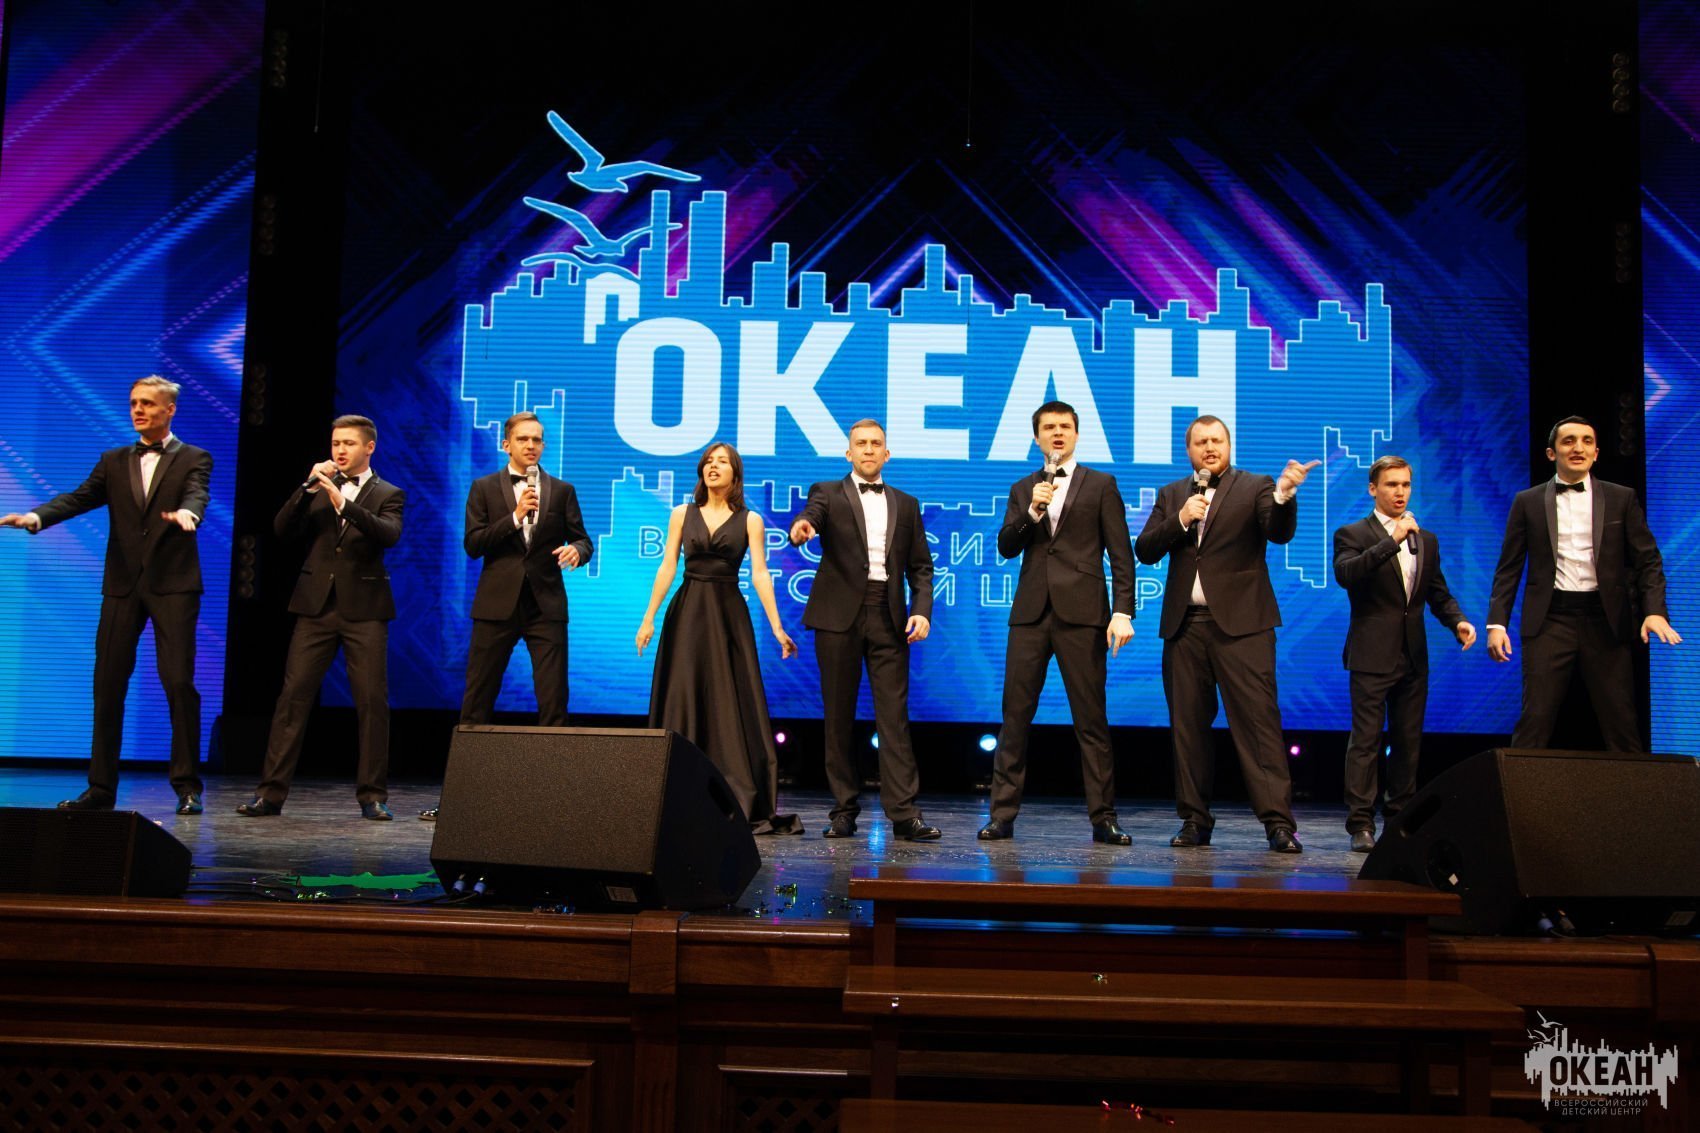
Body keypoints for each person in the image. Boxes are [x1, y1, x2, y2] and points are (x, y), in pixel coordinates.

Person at [1, 376, 210, 814]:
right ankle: (100, 789)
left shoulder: (194, 457)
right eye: (134, 403)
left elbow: (196, 493)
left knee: (178, 683)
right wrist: (37, 517)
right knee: (108, 684)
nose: (138, 410)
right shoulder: (114, 460)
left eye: (147, 403)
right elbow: (80, 497)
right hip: (121, 586)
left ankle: (187, 786)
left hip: (173, 585)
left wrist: (189, 514)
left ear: (169, 409)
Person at [1134, 415, 1317, 853]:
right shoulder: (1172, 494)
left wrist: (1285, 494)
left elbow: (1278, 531)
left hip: (1243, 628)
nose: (1209, 447)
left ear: (1229, 445)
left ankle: (1278, 823)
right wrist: (1181, 519)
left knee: (1258, 725)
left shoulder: (1256, 486)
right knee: (1188, 730)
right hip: (1185, 627)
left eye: (1217, 440)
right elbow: (1145, 549)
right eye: (1201, 442)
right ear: (1189, 450)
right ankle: (1194, 820)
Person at [978, 401, 1136, 845]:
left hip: (1083, 614)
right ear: (1037, 438)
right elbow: (1007, 546)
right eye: (1049, 427)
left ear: (1077, 434)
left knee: (1091, 720)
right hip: (1030, 614)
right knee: (1015, 718)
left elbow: (1121, 554)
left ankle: (1104, 818)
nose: (1057, 433)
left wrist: (1122, 611)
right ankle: (1001, 815)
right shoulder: (1023, 488)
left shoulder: (1101, 484)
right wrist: (1031, 512)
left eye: (1065, 426)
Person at [422, 411, 592, 821]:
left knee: (553, 701)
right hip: (496, 606)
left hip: (546, 605)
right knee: (477, 699)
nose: (531, 445)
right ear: (506, 444)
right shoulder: (483, 488)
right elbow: (474, 544)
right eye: (523, 439)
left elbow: (583, 539)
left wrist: (578, 551)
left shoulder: (562, 490)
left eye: (537, 439)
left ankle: (552, 799)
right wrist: (515, 517)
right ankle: (461, 798)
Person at [236, 415, 405, 820]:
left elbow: (388, 534)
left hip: (365, 609)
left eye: (349, 443)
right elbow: (282, 529)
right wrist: (306, 487)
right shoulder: (318, 487)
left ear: (369, 447)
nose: (340, 450)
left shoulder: (389, 493)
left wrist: (344, 504)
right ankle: (270, 794)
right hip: (315, 607)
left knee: (371, 701)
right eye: (335, 443)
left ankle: (373, 795)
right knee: (293, 698)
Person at [637, 442, 803, 835]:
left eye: (722, 462)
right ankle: (676, 786)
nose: (713, 467)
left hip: (728, 615)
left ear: (735, 473)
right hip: (688, 611)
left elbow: (760, 574)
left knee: (728, 696)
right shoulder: (682, 514)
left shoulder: (750, 520)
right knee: (683, 691)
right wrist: (648, 618)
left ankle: (728, 788)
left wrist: (777, 627)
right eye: (708, 462)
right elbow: (667, 566)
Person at [1487, 416, 1680, 750]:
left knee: (1621, 722)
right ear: (1551, 453)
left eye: (1587, 441)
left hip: (1605, 619)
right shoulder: (1527, 501)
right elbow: (1508, 568)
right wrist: (1496, 624)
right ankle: (1521, 785)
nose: (1578, 448)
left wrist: (1655, 612)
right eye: (1569, 441)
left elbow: (1648, 560)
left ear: (1596, 453)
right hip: (1550, 619)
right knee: (1535, 719)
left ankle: (1632, 786)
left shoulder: (1621, 498)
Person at [789, 419, 939, 842]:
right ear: (849, 453)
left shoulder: (906, 503)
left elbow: (921, 567)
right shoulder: (827, 492)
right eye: (861, 444)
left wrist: (922, 611)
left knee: (894, 718)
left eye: (876, 444)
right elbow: (811, 517)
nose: (869, 449)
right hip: (838, 617)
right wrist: (803, 528)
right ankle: (843, 811)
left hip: (889, 616)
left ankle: (905, 814)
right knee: (838, 716)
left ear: (886, 454)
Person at [1332, 456, 1475, 852]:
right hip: (1371, 654)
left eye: (1405, 485)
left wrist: (1458, 621)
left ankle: (1399, 819)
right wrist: (1391, 541)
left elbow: (1437, 592)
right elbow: (1347, 574)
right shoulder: (1353, 533)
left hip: (1413, 656)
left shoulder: (1425, 539)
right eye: (1391, 484)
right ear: (1373, 489)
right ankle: (1361, 823)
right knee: (1366, 742)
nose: (1400, 492)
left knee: (1408, 742)